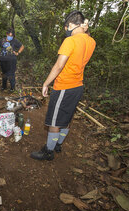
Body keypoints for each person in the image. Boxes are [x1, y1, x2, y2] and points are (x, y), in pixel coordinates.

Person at [30, 11, 96, 161]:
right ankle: (58, 144)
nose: (66, 29)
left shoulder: (71, 41)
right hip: (78, 86)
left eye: (67, 26)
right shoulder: (91, 41)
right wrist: (85, 29)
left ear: (72, 25)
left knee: (54, 122)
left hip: (64, 87)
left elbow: (59, 65)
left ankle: (48, 151)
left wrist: (46, 83)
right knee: (66, 119)